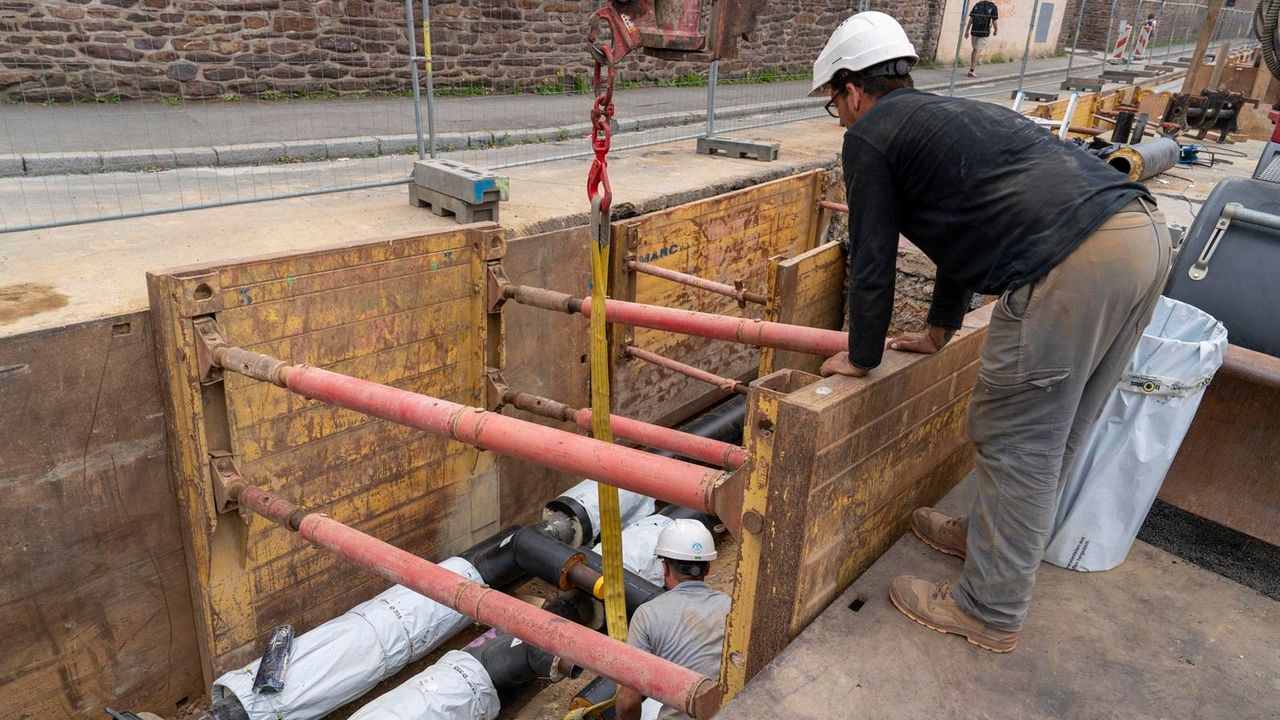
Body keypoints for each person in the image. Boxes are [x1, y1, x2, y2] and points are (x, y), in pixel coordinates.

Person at [811, 12, 1172, 653]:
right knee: (1059, 430)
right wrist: (940, 329)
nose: (839, 118)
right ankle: (988, 541)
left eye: (834, 104)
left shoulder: (870, 138)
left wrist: (861, 357)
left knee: (1018, 437)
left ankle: (989, 606)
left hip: (1074, 265)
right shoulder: (952, 117)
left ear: (852, 88)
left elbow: (872, 258)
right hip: (1141, 237)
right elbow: (960, 233)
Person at [616, 519, 730, 720]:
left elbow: (629, 702)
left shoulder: (647, 615)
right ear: (707, 569)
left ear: (665, 568)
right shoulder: (730, 606)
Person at [964, 0, 999, 77]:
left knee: (975, 49)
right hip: (984, 32)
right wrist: (996, 30)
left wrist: (967, 30)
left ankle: (972, 68)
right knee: (978, 50)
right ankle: (972, 70)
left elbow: (971, 19)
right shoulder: (993, 6)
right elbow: (994, 21)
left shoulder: (977, 5)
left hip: (974, 30)